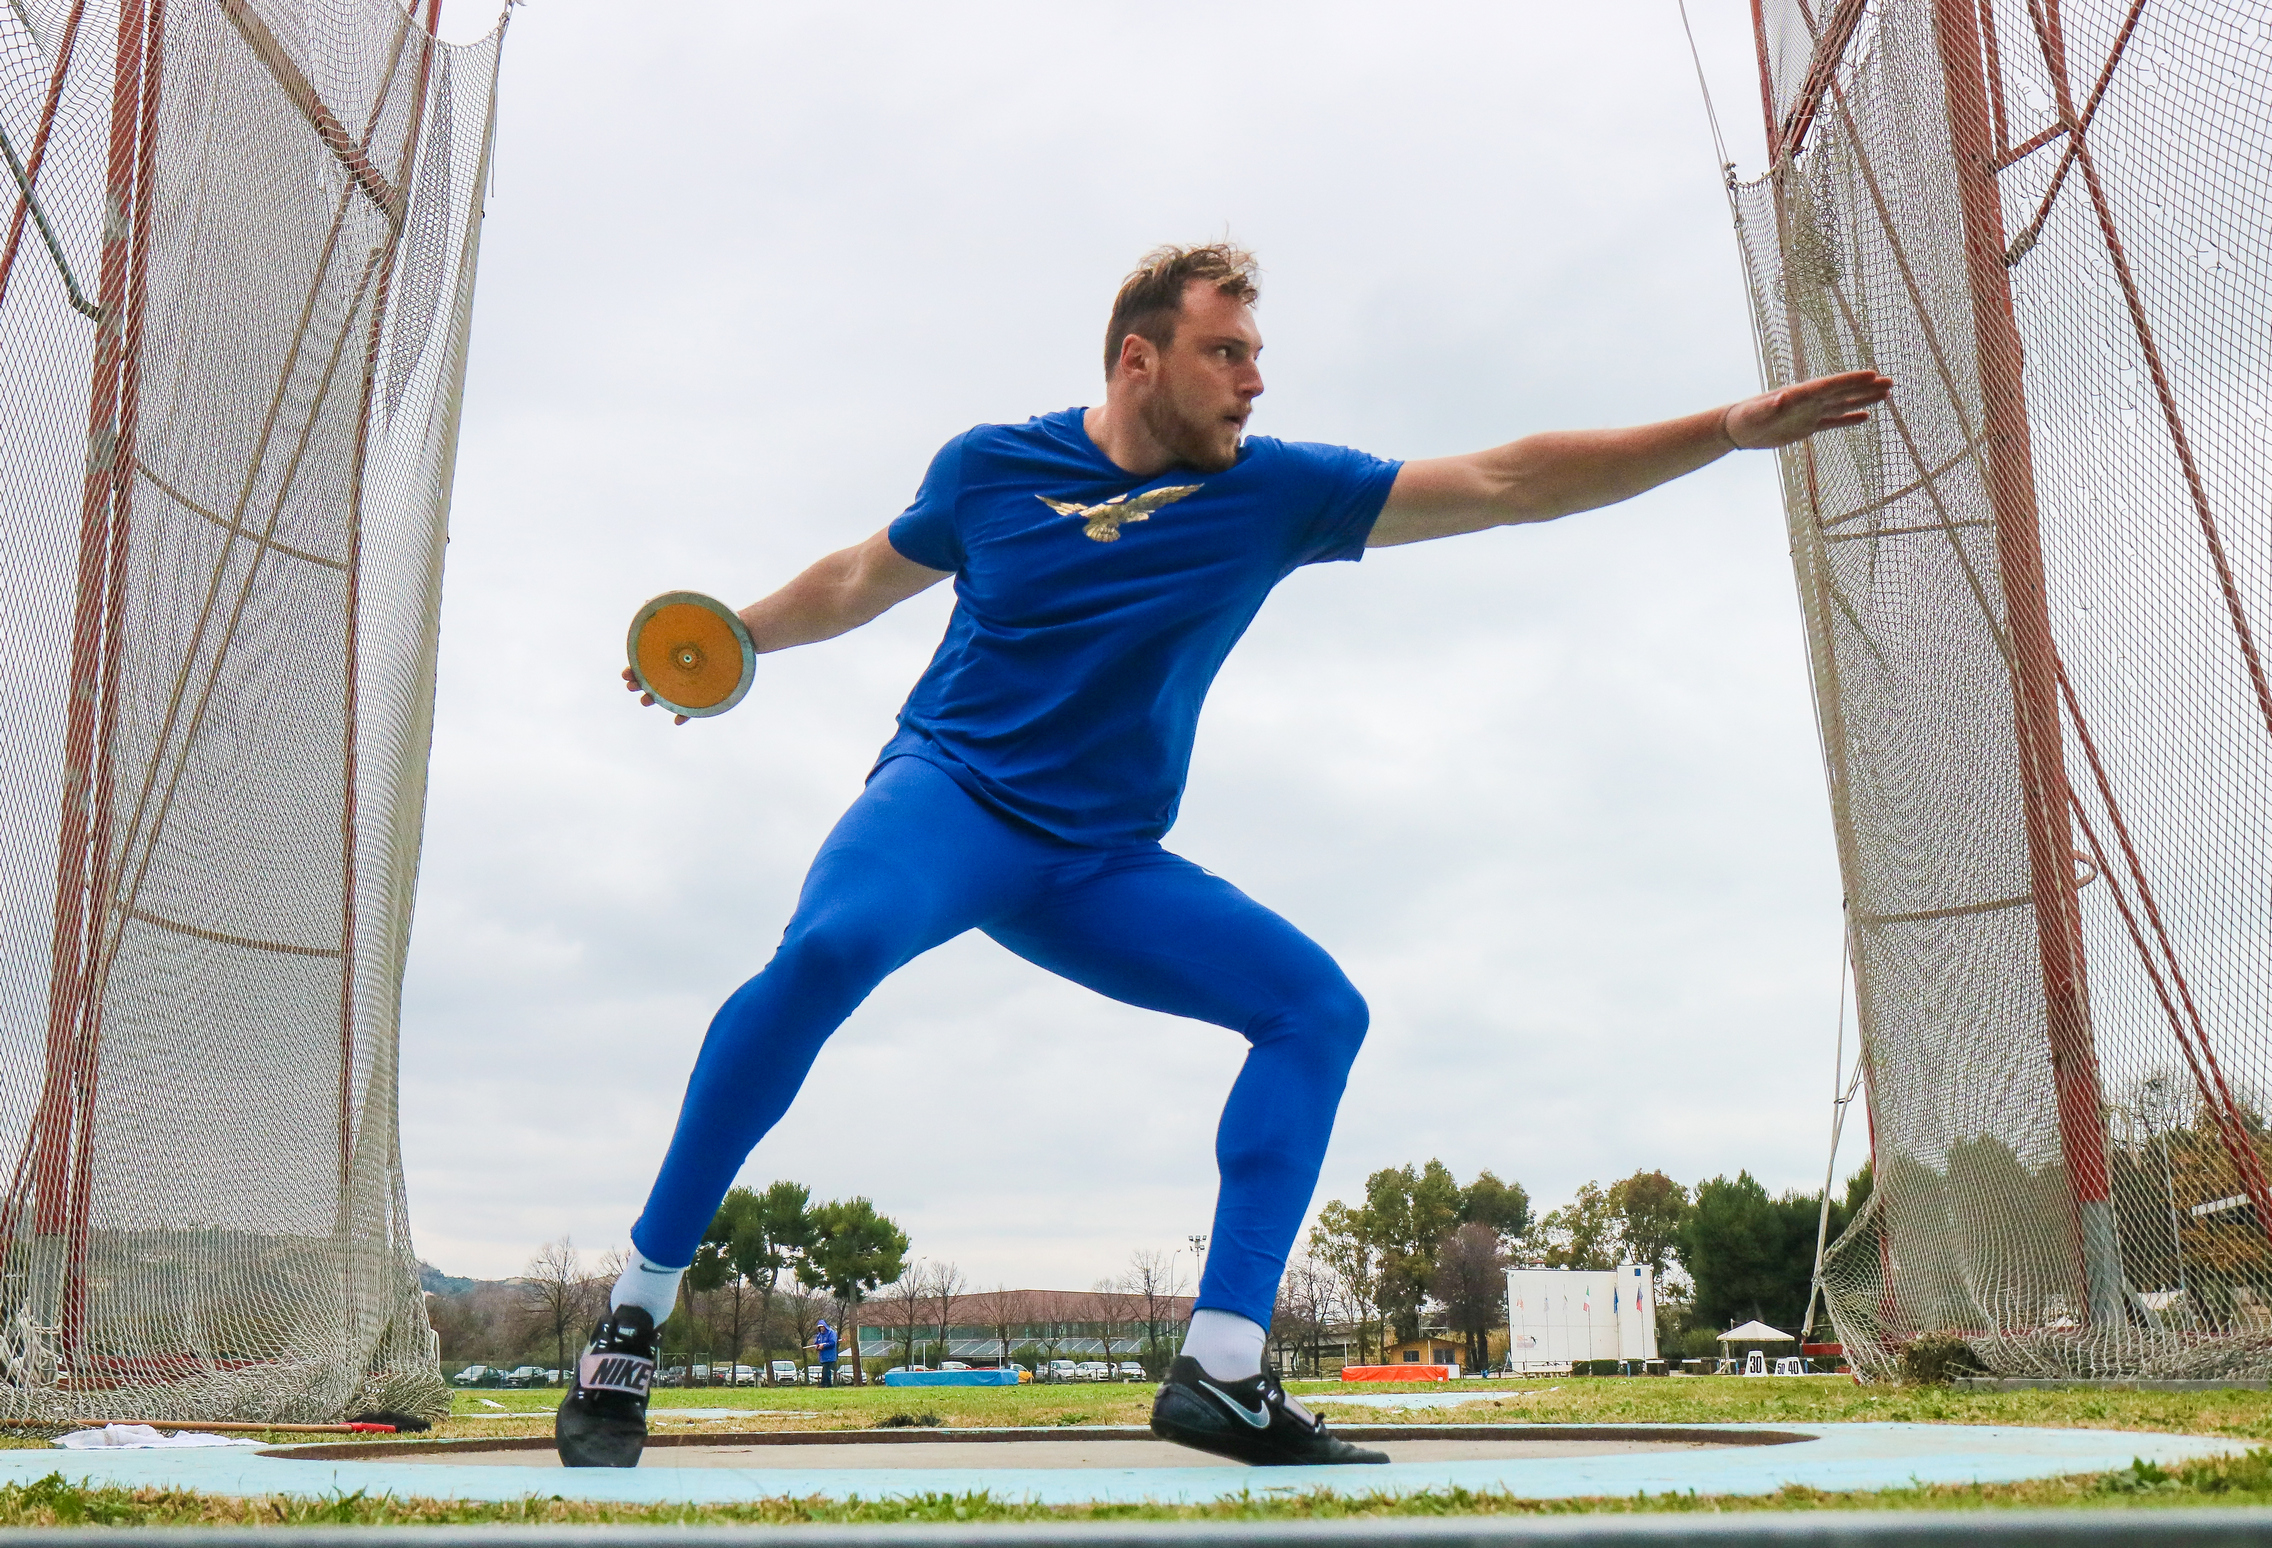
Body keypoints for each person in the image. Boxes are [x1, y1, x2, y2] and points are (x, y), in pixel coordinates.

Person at [555, 243, 1890, 1468]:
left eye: (1256, 354)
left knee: (1314, 1009)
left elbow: (1506, 482)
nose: (1255, 380)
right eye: (1227, 353)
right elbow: (860, 576)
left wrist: (1724, 432)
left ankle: (1225, 1367)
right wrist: (735, 638)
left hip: (1098, 859)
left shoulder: (1272, 494)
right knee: (830, 949)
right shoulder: (989, 469)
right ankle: (634, 1317)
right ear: (1139, 360)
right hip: (949, 799)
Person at [811, 1319, 839, 1388]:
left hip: (830, 1356)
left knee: (825, 1370)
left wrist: (824, 1346)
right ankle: (829, 1384)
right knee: (827, 1371)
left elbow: (832, 1343)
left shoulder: (831, 1333)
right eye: (820, 1327)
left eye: (822, 1327)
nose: (821, 1328)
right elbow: (816, 1343)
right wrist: (817, 1347)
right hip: (823, 1356)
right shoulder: (819, 1335)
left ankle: (823, 1383)